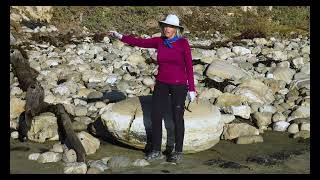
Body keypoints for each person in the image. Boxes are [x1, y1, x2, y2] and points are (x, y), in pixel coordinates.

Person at [108, 14, 197, 163]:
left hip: (179, 84)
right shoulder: (159, 41)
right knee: (156, 116)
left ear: (176, 29)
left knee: (177, 117)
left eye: (170, 27)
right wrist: (120, 36)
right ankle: (156, 150)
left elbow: (189, 65)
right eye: (165, 26)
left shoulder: (183, 43)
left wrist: (192, 89)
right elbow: (140, 42)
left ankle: (178, 151)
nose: (167, 29)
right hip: (161, 83)